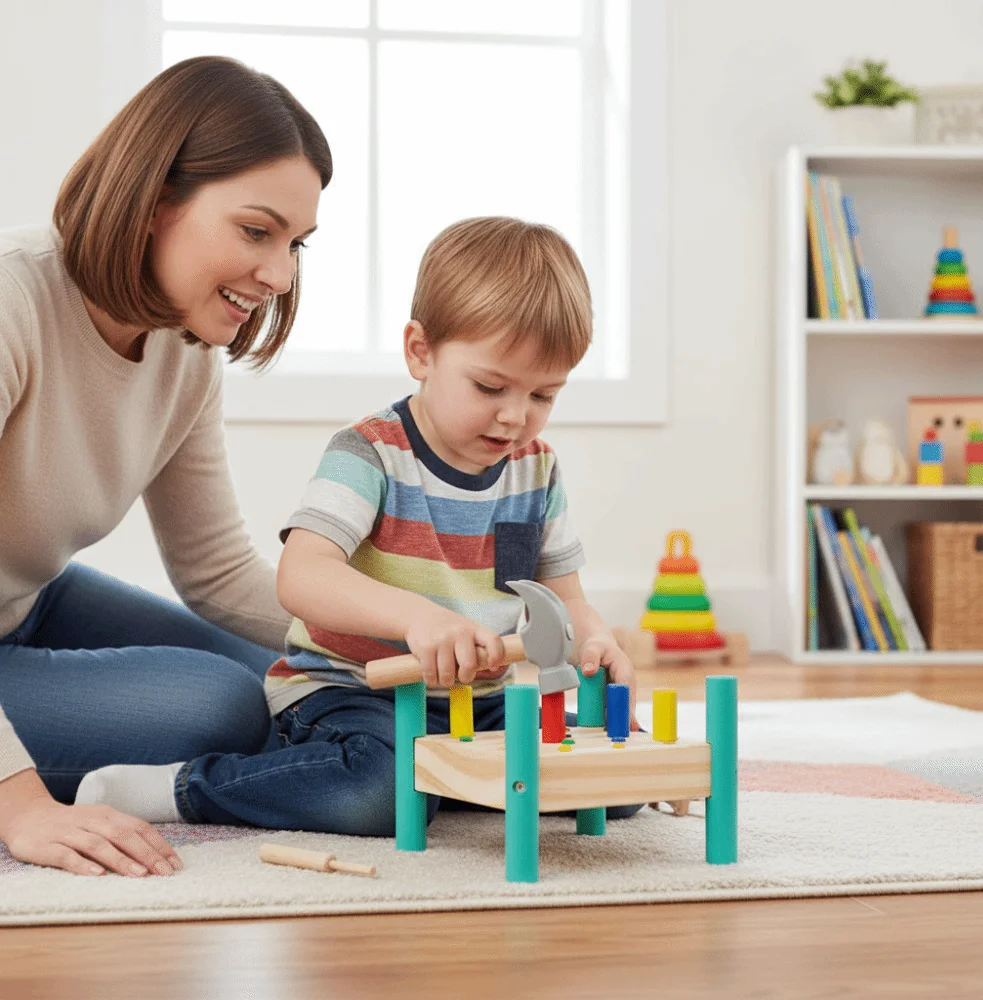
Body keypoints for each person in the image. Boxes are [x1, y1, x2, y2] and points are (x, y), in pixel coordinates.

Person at [76, 216, 643, 835]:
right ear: (420, 352)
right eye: (490, 386)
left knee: (616, 775)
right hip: (351, 693)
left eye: (543, 396)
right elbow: (303, 575)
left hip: (479, 703)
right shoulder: (370, 453)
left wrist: (595, 641)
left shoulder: (537, 471)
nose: (514, 417)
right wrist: (418, 619)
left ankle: (442, 778)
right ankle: (190, 786)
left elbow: (565, 601)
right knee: (382, 794)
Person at [0, 56, 332, 877]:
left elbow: (217, 571)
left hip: (26, 605)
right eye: (256, 231)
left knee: (289, 679)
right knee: (218, 705)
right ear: (154, 202)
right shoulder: (12, 303)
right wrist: (19, 805)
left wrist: (406, 631)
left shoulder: (185, 354)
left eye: (295, 243)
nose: (281, 274)